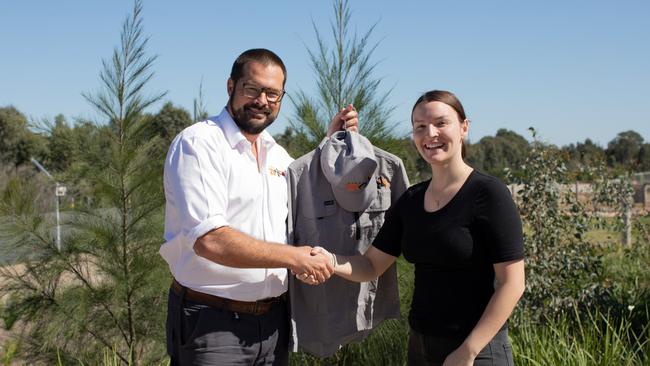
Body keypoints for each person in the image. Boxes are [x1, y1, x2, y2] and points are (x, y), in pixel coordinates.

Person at [160, 48, 359, 366]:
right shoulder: (199, 144)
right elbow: (209, 239)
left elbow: (308, 195)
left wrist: (330, 143)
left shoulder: (277, 155)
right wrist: (295, 258)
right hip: (214, 325)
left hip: (273, 326)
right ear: (231, 87)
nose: (262, 101)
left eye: (273, 94)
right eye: (252, 89)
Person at [302, 90, 525, 365]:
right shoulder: (411, 200)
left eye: (441, 123)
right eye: (420, 127)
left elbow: (512, 283)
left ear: (464, 127)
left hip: (478, 351)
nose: (430, 134)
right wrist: (330, 260)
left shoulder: (489, 194)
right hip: (420, 347)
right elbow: (371, 265)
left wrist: (468, 351)